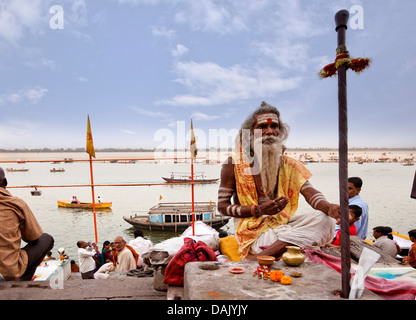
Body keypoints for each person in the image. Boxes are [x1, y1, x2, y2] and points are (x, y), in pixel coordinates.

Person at [217, 102, 340, 259]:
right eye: (262, 127)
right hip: (252, 231)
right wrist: (258, 210)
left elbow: (310, 193)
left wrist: (329, 207)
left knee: (325, 220)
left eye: (274, 126)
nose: (269, 131)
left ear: (280, 131)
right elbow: (222, 207)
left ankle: (266, 254)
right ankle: (272, 252)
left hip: (282, 225)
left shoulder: (290, 164)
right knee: (292, 237)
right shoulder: (233, 164)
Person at [0, 167, 55, 281]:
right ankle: (24, 280)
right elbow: (33, 239)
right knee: (47, 239)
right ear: (5, 182)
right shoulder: (15, 204)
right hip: (8, 271)